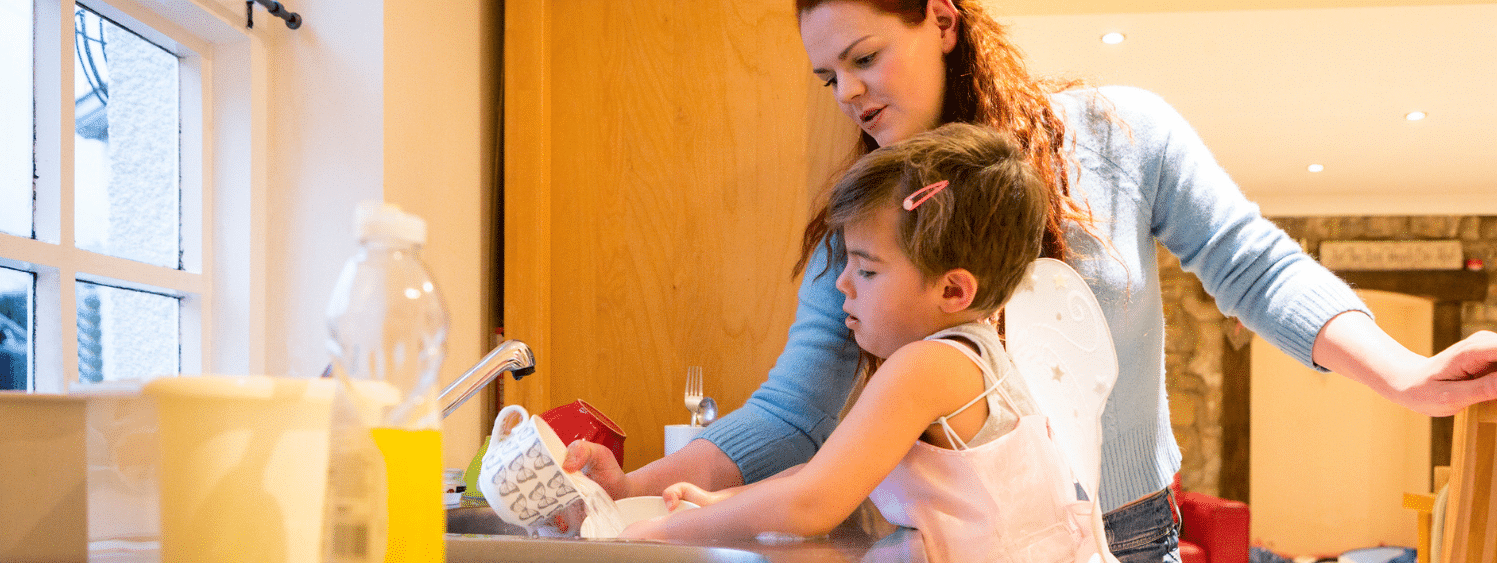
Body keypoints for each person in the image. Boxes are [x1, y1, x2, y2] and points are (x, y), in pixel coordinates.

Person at [564, 0, 1497, 559]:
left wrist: (1406, 375)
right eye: (825, 76)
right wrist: (634, 486)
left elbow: (1252, 264)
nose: (847, 92)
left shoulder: (1121, 136)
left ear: (940, 16)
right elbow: (792, 416)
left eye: (863, 58)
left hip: (1128, 531)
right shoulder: (863, 226)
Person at [622, 122, 1113, 563]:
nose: (843, 284)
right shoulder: (975, 357)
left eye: (867, 268)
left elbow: (812, 502)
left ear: (952, 290)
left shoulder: (926, 366)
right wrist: (721, 503)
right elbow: (824, 473)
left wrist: (667, 532)